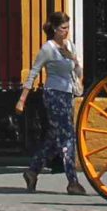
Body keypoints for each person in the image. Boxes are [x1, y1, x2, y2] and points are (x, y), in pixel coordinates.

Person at [15, 12, 84, 195]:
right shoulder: (48, 49)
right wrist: (22, 99)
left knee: (54, 139)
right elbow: (33, 73)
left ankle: (32, 171)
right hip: (54, 95)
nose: (66, 31)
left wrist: (73, 58)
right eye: (63, 28)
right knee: (68, 137)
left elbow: (78, 73)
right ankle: (73, 182)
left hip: (68, 95)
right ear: (54, 29)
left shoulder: (69, 46)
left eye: (68, 27)